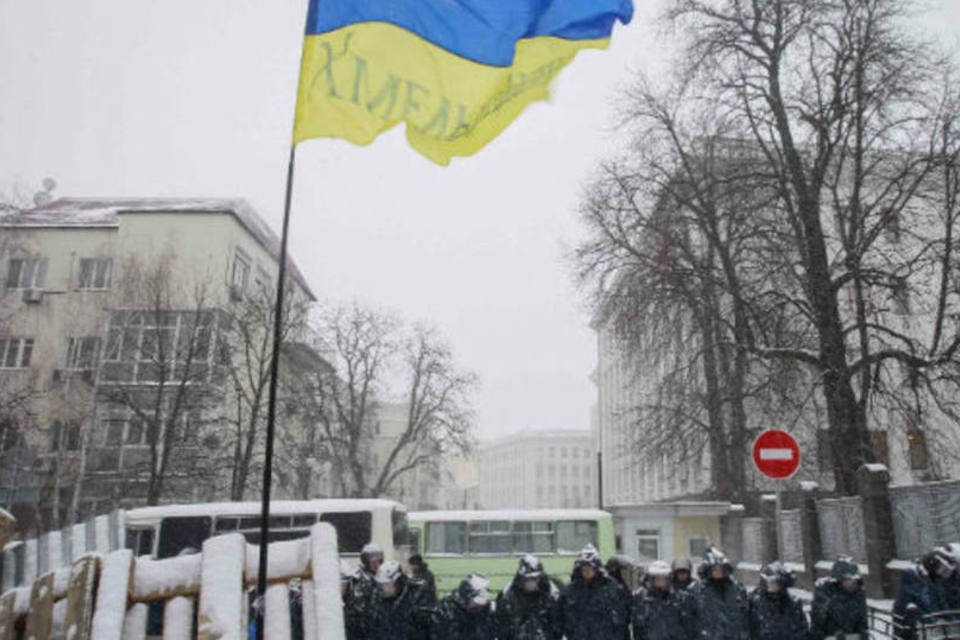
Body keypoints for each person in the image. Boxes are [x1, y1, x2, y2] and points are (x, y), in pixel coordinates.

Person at [559, 544, 631, 640]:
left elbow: (622, 616)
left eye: (590, 568)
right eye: (584, 568)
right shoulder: (570, 590)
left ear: (597, 568)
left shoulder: (611, 587)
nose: (587, 571)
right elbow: (562, 617)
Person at [893, 546, 959, 638]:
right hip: (913, 628)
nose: (944, 575)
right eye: (942, 570)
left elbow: (943, 603)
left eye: (947, 571)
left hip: (932, 628)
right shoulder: (914, 577)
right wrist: (936, 620)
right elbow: (925, 603)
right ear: (932, 565)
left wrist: (951, 619)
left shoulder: (936, 579)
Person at [686, 546, 749, 640]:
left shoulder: (736, 588)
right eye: (715, 569)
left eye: (721, 568)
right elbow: (689, 619)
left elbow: (744, 615)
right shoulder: (696, 590)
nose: (718, 572)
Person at [496, 554, 562, 640]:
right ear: (521, 578)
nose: (532, 582)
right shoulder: (508, 595)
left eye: (535, 578)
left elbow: (558, 623)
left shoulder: (552, 593)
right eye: (528, 579)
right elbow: (502, 625)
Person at [811, 556, 868, 640]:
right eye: (848, 580)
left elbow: (862, 618)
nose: (851, 583)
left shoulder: (858, 594)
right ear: (839, 580)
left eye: (854, 580)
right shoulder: (825, 595)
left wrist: (862, 631)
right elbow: (818, 625)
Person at [747, 562, 808, 640]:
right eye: (769, 583)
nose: (772, 588)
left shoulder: (792, 604)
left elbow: (801, 631)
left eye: (775, 583)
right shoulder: (755, 603)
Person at [632, 560, 689, 640]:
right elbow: (638, 627)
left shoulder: (676, 597)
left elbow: (684, 624)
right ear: (652, 580)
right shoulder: (642, 598)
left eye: (664, 579)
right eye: (658, 579)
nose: (661, 582)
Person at [432, 573, 497, 640]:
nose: (479, 606)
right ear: (465, 597)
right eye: (476, 602)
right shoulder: (445, 610)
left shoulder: (486, 609)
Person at [366, 561, 420, 640]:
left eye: (386, 584)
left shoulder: (416, 598)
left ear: (397, 582)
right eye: (380, 585)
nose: (382, 588)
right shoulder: (381, 601)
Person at [344, 544, 384, 640]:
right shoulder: (358, 577)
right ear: (366, 561)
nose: (376, 564)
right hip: (360, 625)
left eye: (378, 561)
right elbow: (358, 605)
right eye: (373, 561)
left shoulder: (382, 574)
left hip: (377, 623)